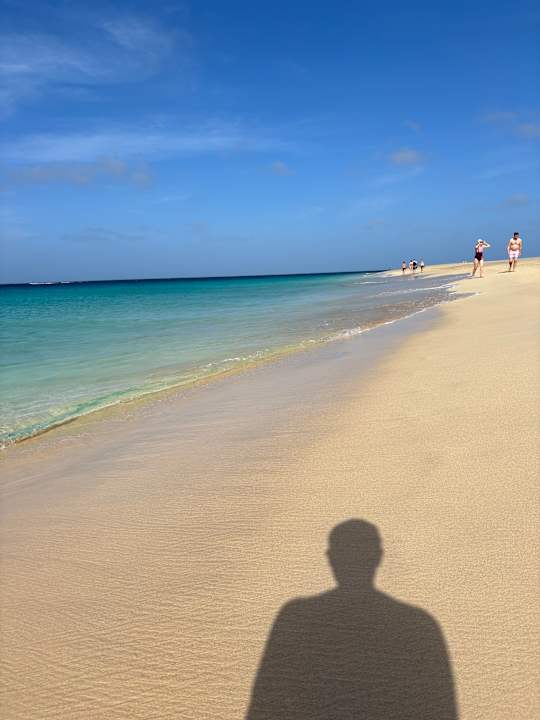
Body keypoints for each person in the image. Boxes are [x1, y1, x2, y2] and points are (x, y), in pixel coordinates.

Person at [247, 520, 458, 719]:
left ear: (331, 558)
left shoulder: (298, 617)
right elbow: (442, 707)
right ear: (378, 557)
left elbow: (264, 702)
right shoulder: (417, 624)